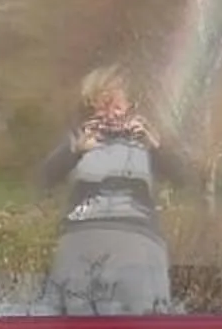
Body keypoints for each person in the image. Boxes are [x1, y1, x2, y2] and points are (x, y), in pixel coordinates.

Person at [40, 64, 170, 315]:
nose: (110, 114)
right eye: (102, 106)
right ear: (90, 107)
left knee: (138, 313)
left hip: (137, 238)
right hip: (82, 235)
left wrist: (155, 147)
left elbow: (183, 175)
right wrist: (75, 152)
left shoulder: (146, 139)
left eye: (117, 106)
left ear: (131, 106)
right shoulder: (77, 139)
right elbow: (45, 178)